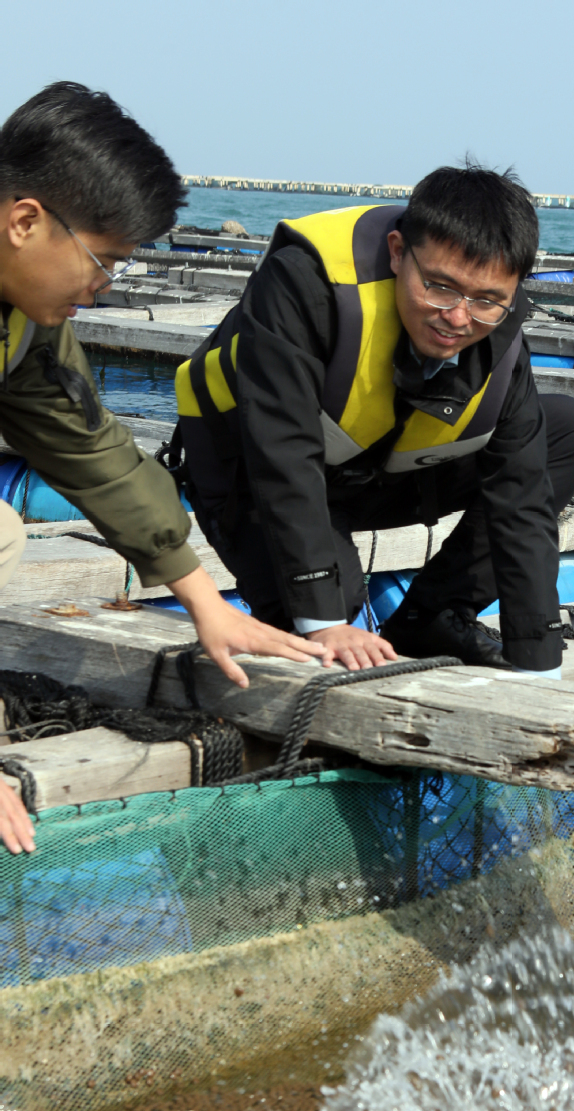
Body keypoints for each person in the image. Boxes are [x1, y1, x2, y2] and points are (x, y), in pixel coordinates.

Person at [0, 82, 318, 856]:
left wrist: (204, 599)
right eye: (102, 261)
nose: (105, 287)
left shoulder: (26, 319)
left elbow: (94, 448)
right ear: (24, 221)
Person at [171, 163, 574, 677]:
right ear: (398, 252)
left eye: (487, 300)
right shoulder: (304, 283)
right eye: (440, 287)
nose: (459, 318)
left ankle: (433, 615)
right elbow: (280, 452)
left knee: (568, 430)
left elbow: (522, 499)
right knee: (333, 611)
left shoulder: (499, 334)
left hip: (374, 470)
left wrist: (539, 665)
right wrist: (323, 618)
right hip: (253, 474)